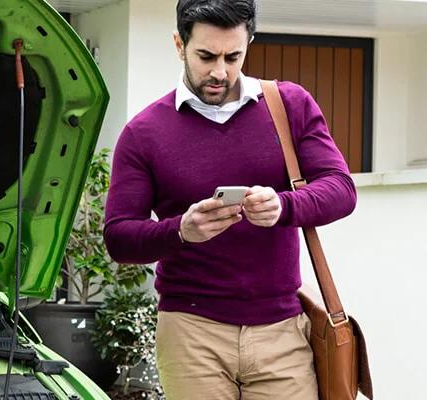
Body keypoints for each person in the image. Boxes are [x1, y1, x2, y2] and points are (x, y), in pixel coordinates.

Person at [100, 1, 357, 399]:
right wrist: (180, 230)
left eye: (233, 56)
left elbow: (341, 189)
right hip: (191, 332)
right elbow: (119, 237)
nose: (220, 71)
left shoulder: (290, 105)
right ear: (179, 45)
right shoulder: (143, 133)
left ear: (249, 44)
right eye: (206, 56)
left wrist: (284, 206)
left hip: (281, 331)